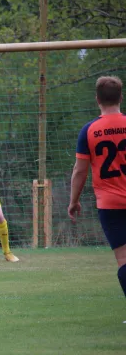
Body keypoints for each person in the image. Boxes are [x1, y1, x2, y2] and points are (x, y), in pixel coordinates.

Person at [69, 76, 126, 299]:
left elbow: (80, 170)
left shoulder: (89, 130)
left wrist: (74, 201)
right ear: (121, 97)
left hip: (110, 205)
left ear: (97, 100)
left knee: (123, 260)